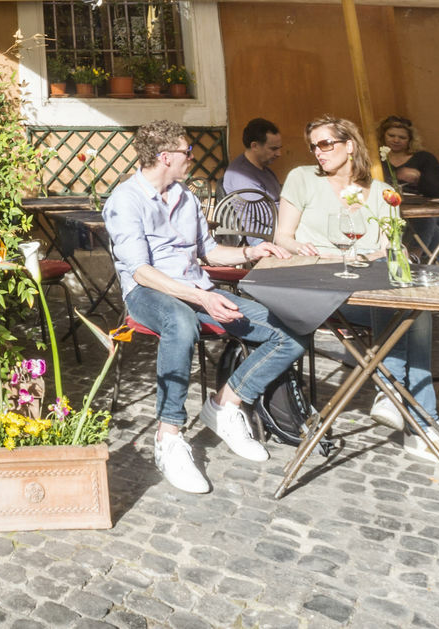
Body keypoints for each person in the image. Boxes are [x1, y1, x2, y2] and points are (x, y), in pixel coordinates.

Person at [104, 119, 303, 496]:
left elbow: (208, 251)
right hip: (149, 293)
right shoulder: (125, 200)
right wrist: (203, 298)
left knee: (290, 330)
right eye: (187, 152)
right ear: (166, 156)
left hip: (198, 289)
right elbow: (142, 272)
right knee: (181, 322)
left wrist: (249, 251)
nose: (193, 158)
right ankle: (168, 437)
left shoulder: (187, 197)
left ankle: (225, 405)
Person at [273, 116, 439, 466]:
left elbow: (389, 249)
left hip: (366, 290)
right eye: (313, 145)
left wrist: (394, 252)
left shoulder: (378, 192)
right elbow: (282, 237)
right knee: (403, 310)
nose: (318, 152)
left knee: (414, 311)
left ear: (350, 146)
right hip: (319, 286)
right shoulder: (302, 179)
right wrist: (314, 252)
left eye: (326, 143)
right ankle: (415, 418)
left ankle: (404, 409)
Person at [379, 115, 439, 257]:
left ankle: (413, 255)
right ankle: (427, 263)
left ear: (410, 140)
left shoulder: (425, 158)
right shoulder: (377, 160)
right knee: (434, 230)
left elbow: (437, 192)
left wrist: (419, 179)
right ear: (382, 136)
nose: (396, 140)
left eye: (402, 137)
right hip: (398, 211)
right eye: (391, 135)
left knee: (426, 217)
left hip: (433, 210)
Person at [222, 118, 284, 209]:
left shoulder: (264, 169)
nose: (279, 154)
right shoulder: (241, 176)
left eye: (279, 148)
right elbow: (264, 216)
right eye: (273, 149)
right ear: (254, 146)